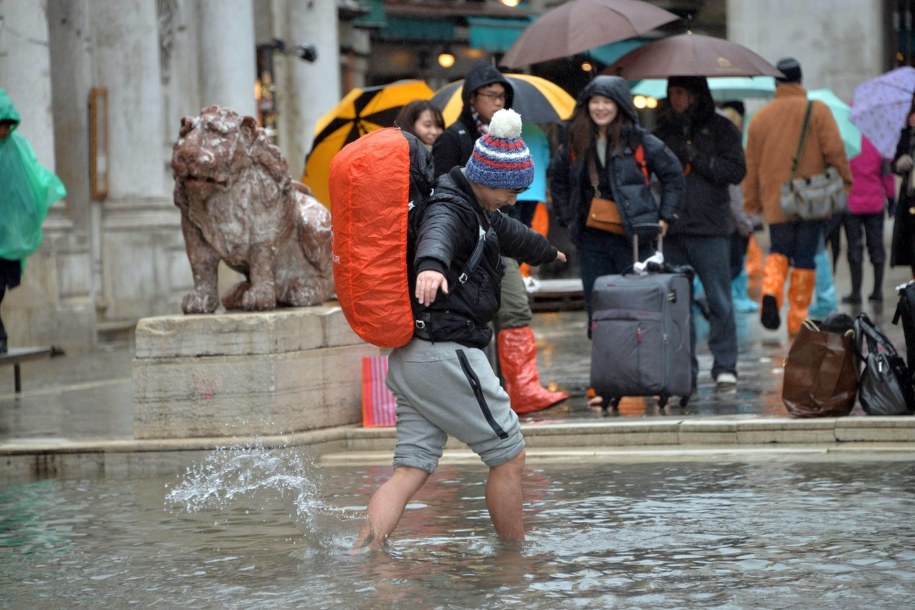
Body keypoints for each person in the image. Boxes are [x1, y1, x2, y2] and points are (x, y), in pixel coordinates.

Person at [353, 109, 567, 550]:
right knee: (509, 454)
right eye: (510, 190)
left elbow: (514, 235)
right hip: (444, 353)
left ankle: (364, 553)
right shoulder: (452, 207)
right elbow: (437, 235)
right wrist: (430, 268)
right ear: (487, 177)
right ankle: (514, 556)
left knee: (411, 469)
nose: (511, 200)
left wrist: (549, 252)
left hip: (412, 357)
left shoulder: (478, 207)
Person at [433, 61, 567, 414]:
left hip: (498, 235)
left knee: (513, 306)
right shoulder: (454, 138)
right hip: (464, 243)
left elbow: (511, 202)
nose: (498, 102)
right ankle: (487, 394)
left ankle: (522, 389)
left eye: (503, 97)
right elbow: (441, 203)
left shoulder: (511, 138)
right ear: (472, 97)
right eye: (491, 95)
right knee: (475, 316)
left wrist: (545, 249)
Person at [550, 75, 685, 335]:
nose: (601, 108)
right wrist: (567, 218)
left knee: (638, 306)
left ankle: (638, 363)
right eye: (595, 102)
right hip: (591, 238)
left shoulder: (638, 139)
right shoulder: (575, 140)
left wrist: (666, 217)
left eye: (607, 102)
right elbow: (558, 181)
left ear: (620, 104)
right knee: (598, 305)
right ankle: (606, 362)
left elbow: (674, 176)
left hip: (633, 238)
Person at [743, 58, 852, 337]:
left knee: (778, 249)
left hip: (776, 200)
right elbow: (835, 150)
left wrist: (752, 202)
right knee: (805, 258)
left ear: (775, 83)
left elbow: (751, 166)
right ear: (800, 80)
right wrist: (845, 180)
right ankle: (797, 318)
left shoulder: (760, 118)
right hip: (810, 200)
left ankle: (771, 290)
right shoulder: (818, 111)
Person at [653, 77, 746, 391]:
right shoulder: (662, 131)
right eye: (671, 93)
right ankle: (683, 366)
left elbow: (736, 170)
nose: (675, 98)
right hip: (674, 227)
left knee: (719, 298)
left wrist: (696, 157)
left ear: (694, 95)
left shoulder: (722, 129)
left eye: (680, 92)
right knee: (678, 301)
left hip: (710, 227)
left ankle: (725, 365)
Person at [0, 89, 67, 354]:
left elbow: (32, 179)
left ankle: (0, 336)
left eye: (6, 126)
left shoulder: (18, 147)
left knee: (1, 286)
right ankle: (1, 335)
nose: (4, 132)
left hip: (9, 235)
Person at [841, 134, 894, 303]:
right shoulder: (880, 142)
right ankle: (877, 291)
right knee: (876, 247)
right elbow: (887, 174)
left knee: (854, 249)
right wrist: (892, 198)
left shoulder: (847, 143)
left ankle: (856, 293)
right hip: (875, 204)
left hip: (851, 205)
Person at [890, 98, 915, 279]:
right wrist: (900, 164)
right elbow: (894, 165)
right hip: (910, 197)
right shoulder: (906, 135)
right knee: (912, 247)